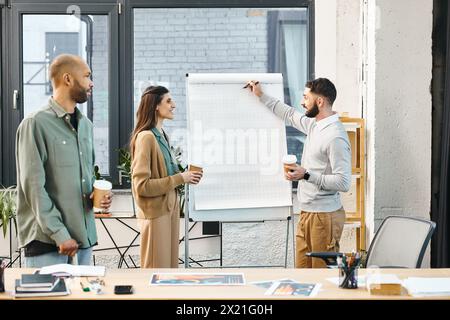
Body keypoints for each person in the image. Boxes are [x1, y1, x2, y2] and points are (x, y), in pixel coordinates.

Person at [15, 54, 112, 268]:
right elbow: (33, 187)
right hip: (48, 243)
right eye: (87, 76)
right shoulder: (35, 124)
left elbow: (85, 176)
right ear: (68, 79)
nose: (91, 83)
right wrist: (59, 233)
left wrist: (95, 196)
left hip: (82, 240)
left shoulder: (85, 125)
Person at [246, 78, 351, 268]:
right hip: (307, 213)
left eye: (306, 97)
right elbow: (288, 113)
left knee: (321, 277)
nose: (302, 102)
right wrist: (260, 95)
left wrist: (306, 174)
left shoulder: (335, 136)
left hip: (324, 216)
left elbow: (343, 182)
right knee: (302, 274)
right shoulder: (315, 126)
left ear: (319, 102)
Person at [130, 85, 203, 268]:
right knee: (156, 271)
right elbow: (142, 186)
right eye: (168, 101)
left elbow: (167, 176)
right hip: (156, 214)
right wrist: (181, 178)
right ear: (155, 105)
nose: (174, 105)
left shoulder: (162, 135)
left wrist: (186, 175)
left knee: (169, 271)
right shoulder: (146, 137)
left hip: (169, 210)